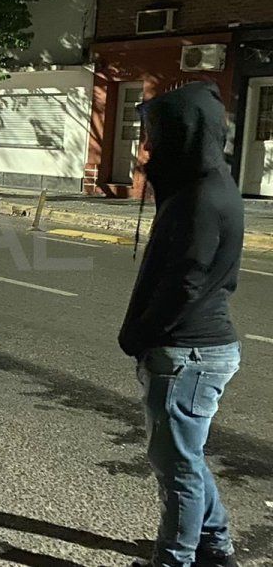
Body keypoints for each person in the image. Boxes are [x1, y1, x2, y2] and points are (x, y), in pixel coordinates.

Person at [119, 82, 244, 567]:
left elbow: (185, 284)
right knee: (184, 458)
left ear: (183, 134)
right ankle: (216, 546)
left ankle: (175, 559)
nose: (148, 146)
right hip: (197, 350)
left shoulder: (200, 198)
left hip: (188, 353)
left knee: (177, 468)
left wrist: (140, 334)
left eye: (156, 133)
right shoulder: (207, 184)